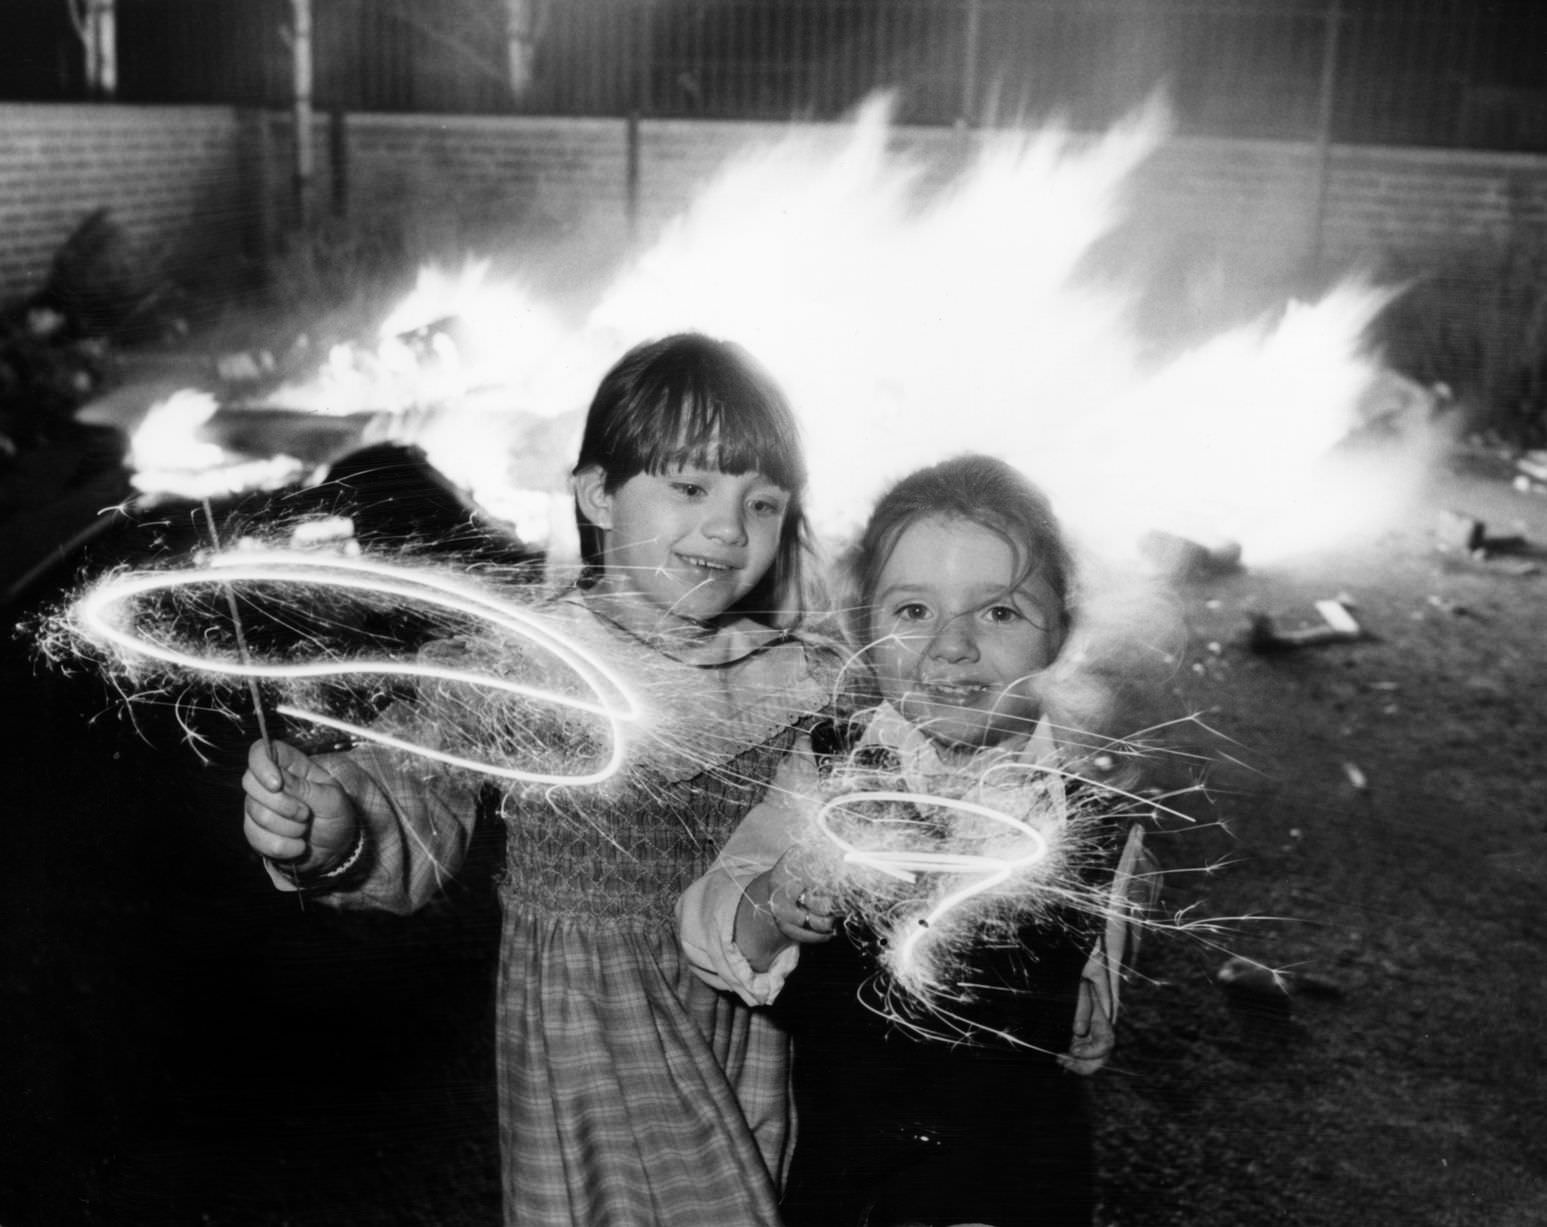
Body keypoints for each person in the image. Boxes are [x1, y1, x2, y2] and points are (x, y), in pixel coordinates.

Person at [241, 333, 838, 1227]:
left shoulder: (794, 679)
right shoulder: (526, 663)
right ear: (598, 492)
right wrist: (335, 819)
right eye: (689, 486)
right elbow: (412, 785)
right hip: (592, 1040)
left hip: (743, 1024)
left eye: (760, 502)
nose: (726, 527)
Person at [680, 453, 1159, 1227]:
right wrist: (776, 899)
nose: (952, 646)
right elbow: (711, 921)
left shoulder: (1085, 805)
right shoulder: (830, 766)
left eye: (998, 612)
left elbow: (1098, 964)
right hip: (853, 1175)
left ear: (1058, 632)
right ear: (864, 622)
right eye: (912, 612)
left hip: (1015, 1178)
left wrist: (1089, 1003)